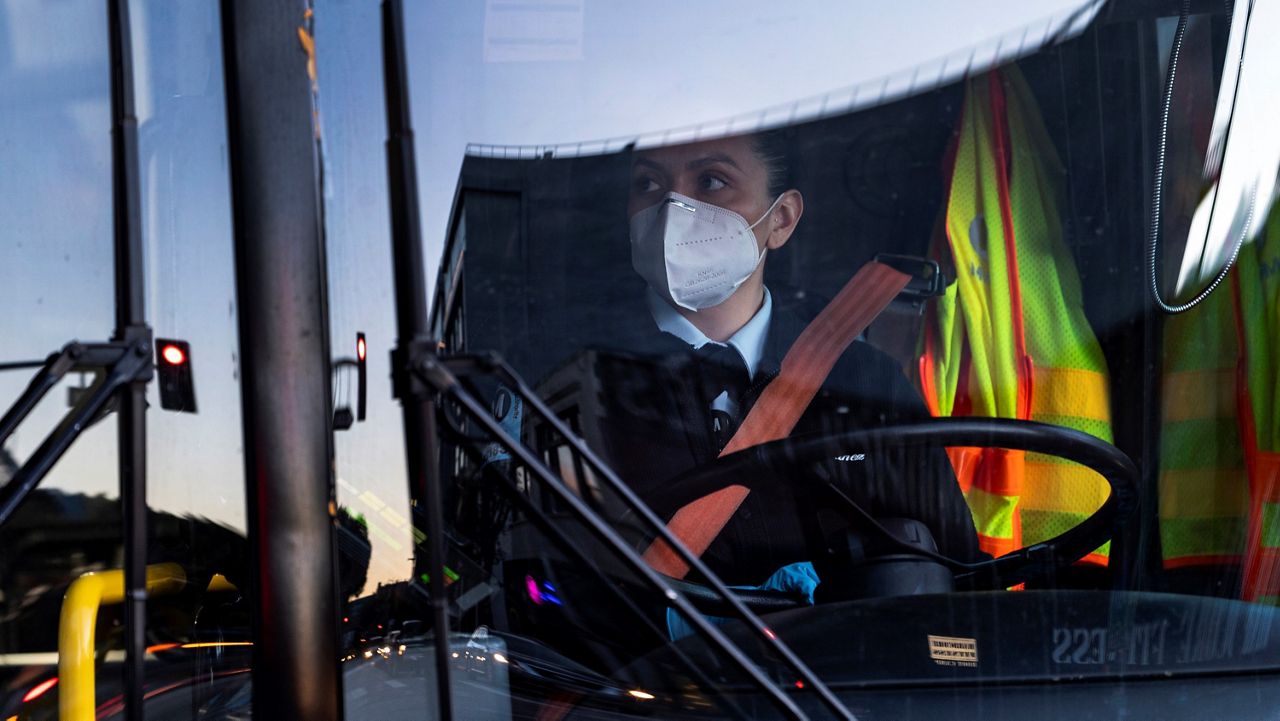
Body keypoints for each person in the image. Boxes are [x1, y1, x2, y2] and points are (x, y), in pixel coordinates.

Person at [591, 130, 984, 593]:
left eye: (712, 181)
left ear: (781, 219)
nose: (674, 208)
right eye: (649, 185)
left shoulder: (863, 383)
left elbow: (959, 582)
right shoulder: (587, 378)